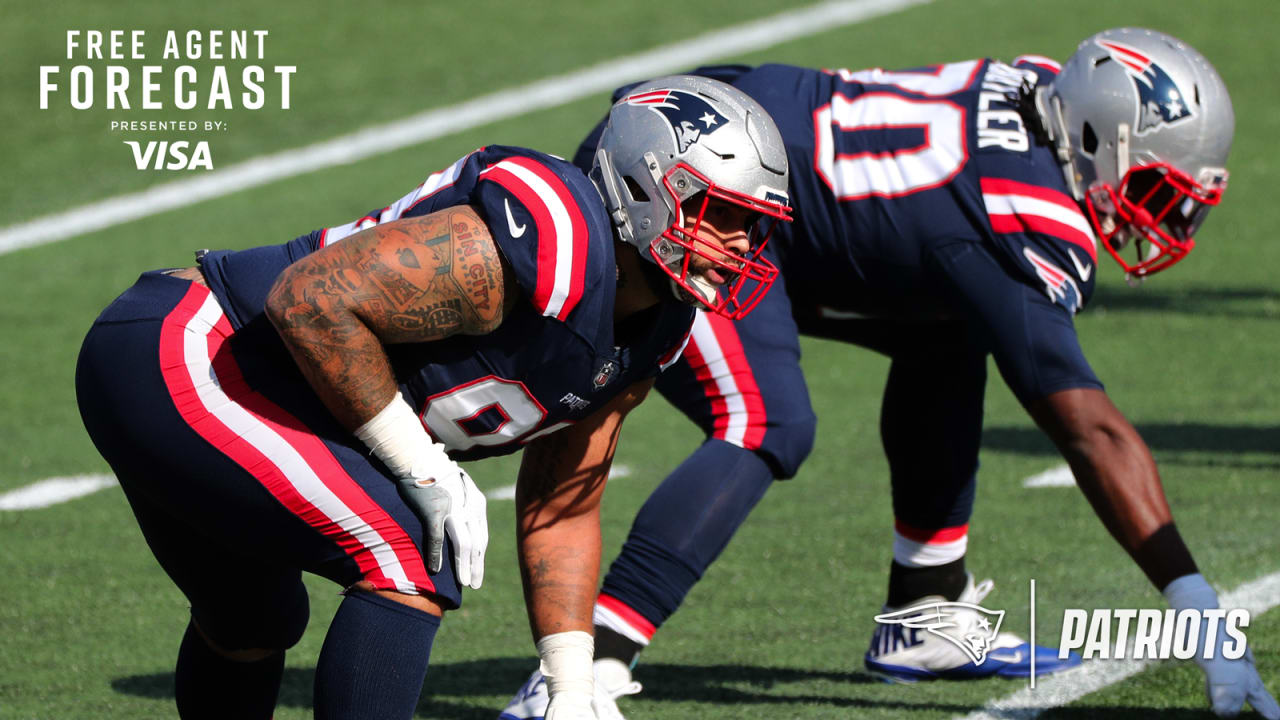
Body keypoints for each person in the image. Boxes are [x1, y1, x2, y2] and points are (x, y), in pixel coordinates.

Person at [500, 28, 1280, 720]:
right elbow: (1091, 431)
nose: (1161, 217)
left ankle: (926, 607)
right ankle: (582, 671)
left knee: (953, 326)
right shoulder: (1023, 208)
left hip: (748, 164)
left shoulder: (1037, 93)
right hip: (694, 196)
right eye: (1149, 186)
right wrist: (1201, 616)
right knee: (766, 420)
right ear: (1093, 135)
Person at [74, 74, 792, 720]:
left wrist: (570, 685)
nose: (739, 240)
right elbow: (310, 300)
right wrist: (421, 464)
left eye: (752, 223)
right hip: (189, 350)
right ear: (644, 183)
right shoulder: (552, 233)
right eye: (719, 211)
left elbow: (562, 503)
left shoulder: (657, 327)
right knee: (409, 556)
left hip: (242, 390)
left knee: (253, 620)